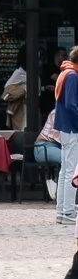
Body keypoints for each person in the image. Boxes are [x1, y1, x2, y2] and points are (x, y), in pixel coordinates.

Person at [57, 47, 78, 228]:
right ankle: (68, 211)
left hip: (65, 127)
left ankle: (62, 209)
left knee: (65, 169)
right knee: (71, 171)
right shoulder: (73, 76)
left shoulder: (65, 73)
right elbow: (72, 104)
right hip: (72, 127)